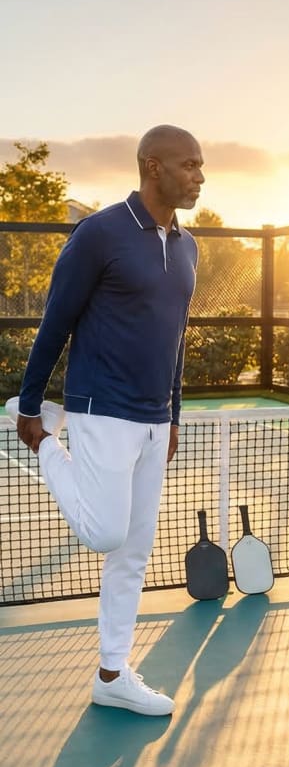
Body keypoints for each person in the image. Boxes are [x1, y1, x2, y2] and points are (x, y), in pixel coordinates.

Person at [5, 124, 205, 716]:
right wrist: (32, 406)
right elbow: (56, 321)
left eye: (201, 166)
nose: (198, 176)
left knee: (133, 553)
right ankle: (39, 445)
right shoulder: (100, 233)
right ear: (152, 166)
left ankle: (112, 674)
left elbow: (176, 339)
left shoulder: (188, 245)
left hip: (153, 419)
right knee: (105, 534)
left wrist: (173, 415)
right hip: (100, 409)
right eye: (189, 165)